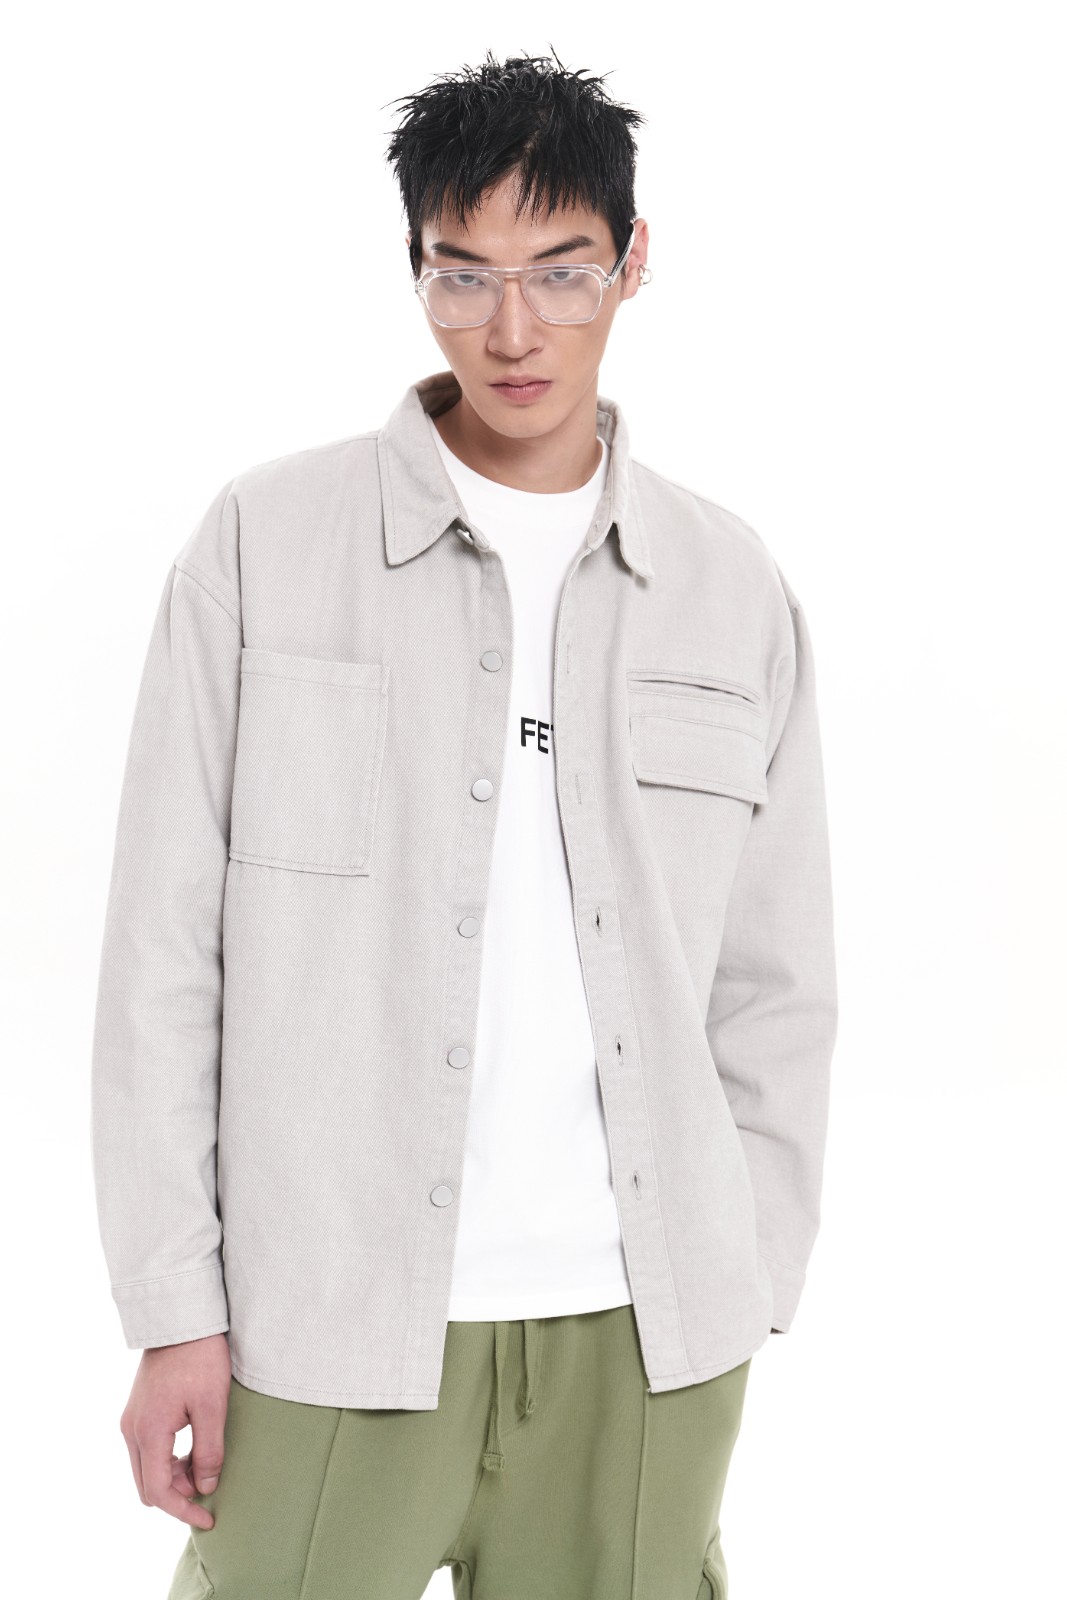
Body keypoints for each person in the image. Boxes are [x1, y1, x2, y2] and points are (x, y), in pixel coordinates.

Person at [91, 47, 838, 1600]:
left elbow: (779, 985)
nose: (512, 330)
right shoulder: (265, 547)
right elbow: (163, 958)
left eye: (561, 271)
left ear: (633, 262)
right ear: (414, 268)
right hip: (324, 1324)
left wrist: (750, 1271)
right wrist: (173, 1307)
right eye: (464, 273)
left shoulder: (729, 586)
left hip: (646, 1343)